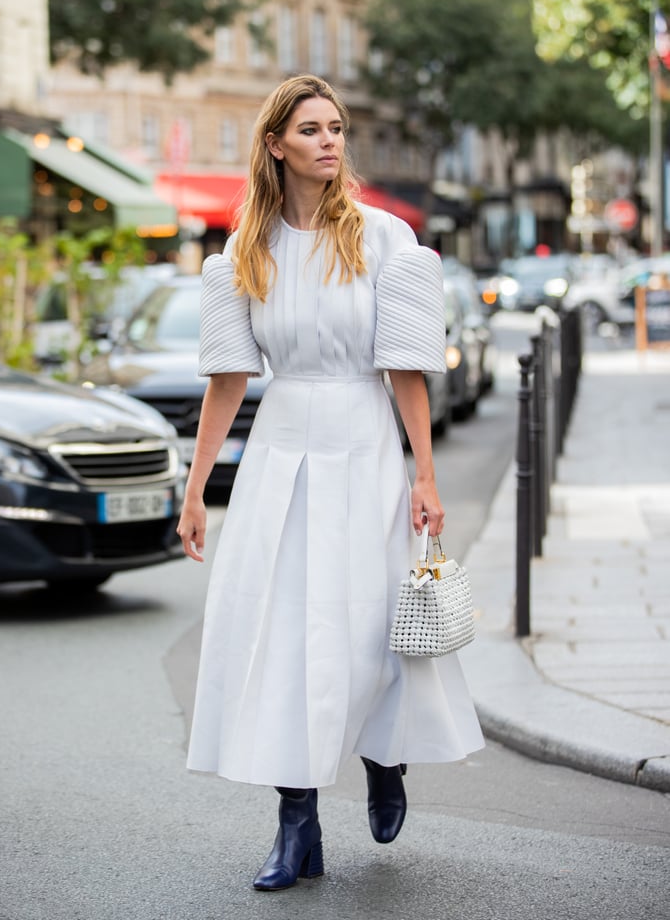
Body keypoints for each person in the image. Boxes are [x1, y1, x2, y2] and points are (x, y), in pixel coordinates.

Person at [177, 74, 484, 891]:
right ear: (276, 143)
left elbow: (406, 369)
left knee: (371, 625)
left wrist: (425, 472)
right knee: (283, 639)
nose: (329, 140)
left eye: (337, 127)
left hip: (367, 445)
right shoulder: (243, 249)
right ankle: (296, 821)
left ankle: (386, 758)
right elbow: (228, 380)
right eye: (310, 129)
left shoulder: (387, 241)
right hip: (281, 454)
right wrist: (195, 486)